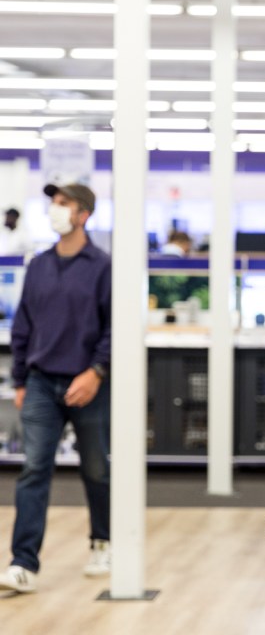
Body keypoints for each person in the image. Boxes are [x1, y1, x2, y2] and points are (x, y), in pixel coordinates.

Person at [0, 183, 111, 594]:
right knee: (34, 470)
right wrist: (21, 379)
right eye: (53, 203)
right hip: (42, 382)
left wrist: (96, 372)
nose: (55, 209)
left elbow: (112, 327)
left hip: (89, 384)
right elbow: (23, 325)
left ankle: (103, 540)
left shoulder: (102, 266)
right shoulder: (40, 265)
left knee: (96, 469)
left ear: (83, 214)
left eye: (64, 203)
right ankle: (22, 563)